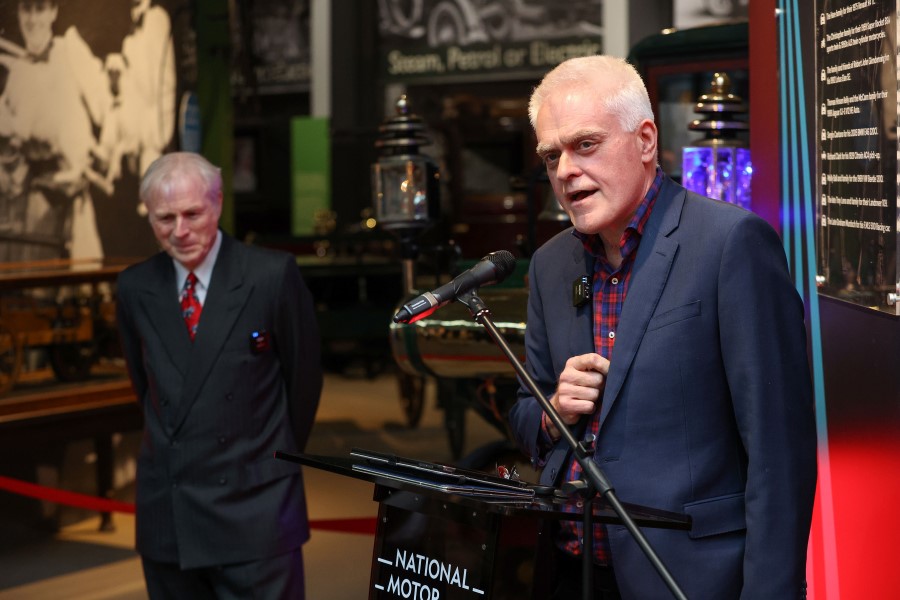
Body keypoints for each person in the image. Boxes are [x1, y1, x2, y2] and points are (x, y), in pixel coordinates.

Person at [508, 55, 817, 599]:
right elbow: (522, 407)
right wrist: (553, 415)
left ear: (646, 140)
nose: (564, 171)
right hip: (569, 571)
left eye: (585, 145)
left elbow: (779, 451)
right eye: (551, 155)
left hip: (690, 579)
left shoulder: (730, 245)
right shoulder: (549, 265)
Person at [116, 152, 322, 599]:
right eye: (164, 217)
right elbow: (145, 386)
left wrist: (268, 463)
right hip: (168, 515)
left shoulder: (270, 275)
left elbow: (303, 383)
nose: (180, 231)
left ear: (219, 202)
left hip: (256, 512)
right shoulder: (134, 287)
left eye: (192, 213)